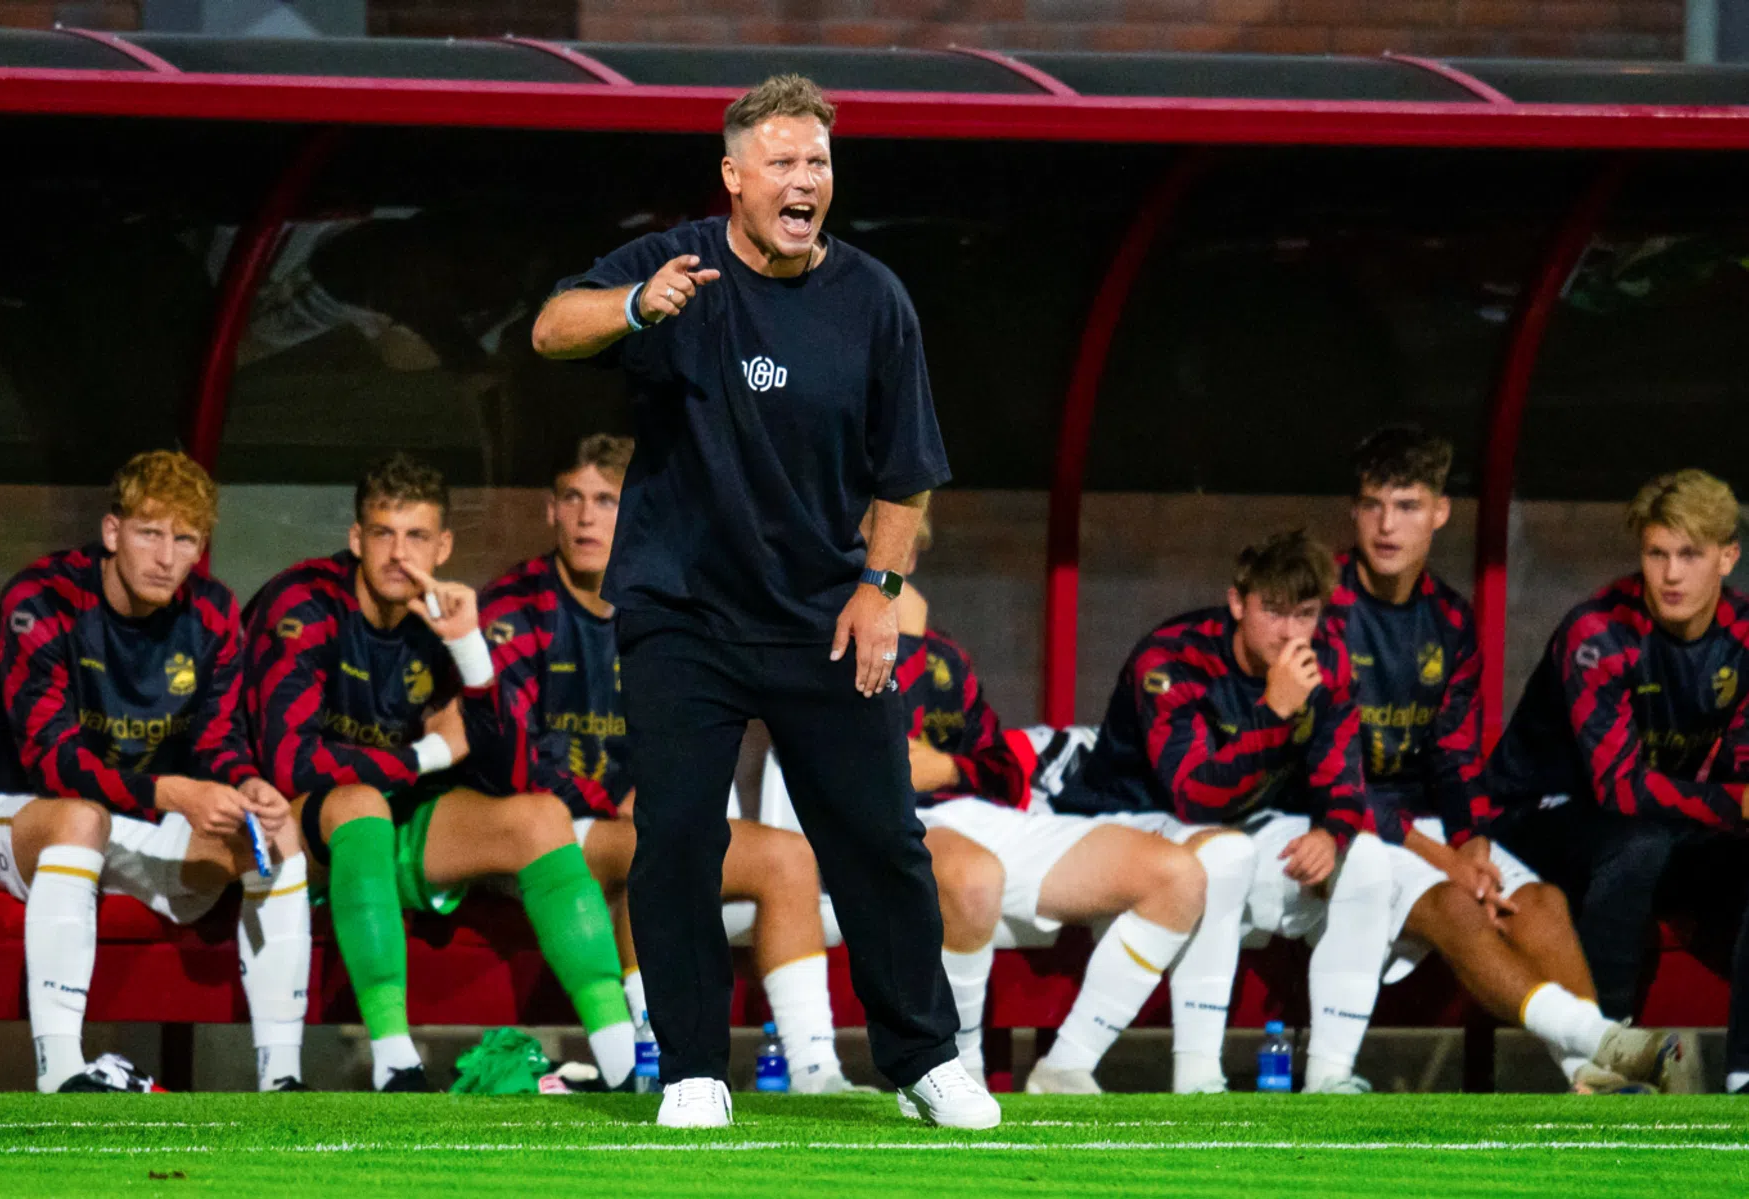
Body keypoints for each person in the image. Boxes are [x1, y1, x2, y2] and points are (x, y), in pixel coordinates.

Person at [533, 74, 993, 1128]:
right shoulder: (674, 264)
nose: (803, 182)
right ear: (734, 179)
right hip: (682, 610)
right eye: (781, 164)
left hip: (824, 613)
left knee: (879, 837)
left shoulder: (874, 297)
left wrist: (880, 590)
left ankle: (924, 1057)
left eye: (817, 164)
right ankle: (693, 1067)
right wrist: (633, 306)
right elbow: (551, 329)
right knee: (682, 833)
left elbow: (905, 470)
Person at [474, 433, 863, 1094]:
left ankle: (811, 1068)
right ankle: (652, 1060)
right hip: (535, 836)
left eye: (605, 499)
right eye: (573, 498)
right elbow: (506, 757)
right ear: (551, 510)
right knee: (662, 844)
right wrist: (612, 792)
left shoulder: (670, 609)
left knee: (784, 856)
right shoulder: (512, 607)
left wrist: (644, 791)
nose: (588, 516)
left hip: (627, 832)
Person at [242, 452, 633, 1093]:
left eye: (417, 536)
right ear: (355, 539)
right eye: (384, 534)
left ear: (443, 544)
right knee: (360, 803)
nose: (401, 554)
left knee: (540, 816)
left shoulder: (438, 614)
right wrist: (420, 758)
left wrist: (470, 649)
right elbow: (292, 763)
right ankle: (395, 1062)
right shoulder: (304, 603)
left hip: (400, 821)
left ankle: (623, 1064)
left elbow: (507, 775)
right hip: (294, 834)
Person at [1331, 427, 1696, 1094]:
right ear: (1353, 511)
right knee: (1459, 905)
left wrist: (1470, 841)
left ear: (1439, 512)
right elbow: (1328, 774)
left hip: (1422, 826)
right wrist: (1446, 861)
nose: (1387, 525)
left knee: (1538, 902)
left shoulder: (1447, 616)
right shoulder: (1321, 606)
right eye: (1372, 504)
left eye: (1407, 506)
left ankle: (1590, 1078)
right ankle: (1606, 1046)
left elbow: (1452, 754)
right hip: (1331, 824)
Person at [0, 450, 309, 1093]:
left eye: (185, 539)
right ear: (113, 532)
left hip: (116, 826)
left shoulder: (213, 613)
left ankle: (281, 1082)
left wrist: (246, 784)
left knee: (275, 836)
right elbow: (52, 761)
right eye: (150, 532)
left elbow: (220, 741)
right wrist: (172, 791)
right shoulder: (42, 601)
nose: (166, 557)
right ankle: (61, 1074)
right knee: (78, 816)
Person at [890, 508, 1254, 1095]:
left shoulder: (947, 656)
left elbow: (1001, 767)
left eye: (904, 552)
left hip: (991, 818)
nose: (896, 567)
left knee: (1177, 874)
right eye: (876, 551)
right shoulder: (821, 640)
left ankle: (1066, 1066)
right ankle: (956, 1073)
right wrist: (902, 641)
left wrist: (951, 766)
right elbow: (881, 767)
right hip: (892, 828)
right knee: (974, 878)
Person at [1053, 530, 1392, 1094]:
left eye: (1304, 615)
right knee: (1225, 853)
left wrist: (1332, 832)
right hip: (1126, 824)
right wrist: (1275, 712)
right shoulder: (1172, 658)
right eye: (1272, 611)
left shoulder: (1326, 662)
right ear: (1238, 602)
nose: (1289, 632)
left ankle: (1331, 1078)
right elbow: (1192, 796)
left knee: (1368, 863)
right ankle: (1198, 1076)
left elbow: (1343, 775)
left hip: (1235, 824)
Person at [1490, 468, 1749, 1093]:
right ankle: (1610, 1058)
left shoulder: (1743, 639)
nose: (1671, 575)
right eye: (1657, 553)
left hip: (1651, 823)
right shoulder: (1598, 631)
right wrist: (1735, 804)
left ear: (1727, 557)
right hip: (1534, 818)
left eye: (1690, 555)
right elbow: (1620, 789)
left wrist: (1736, 807)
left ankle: (1743, 1075)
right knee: (1638, 845)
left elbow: (1739, 772)